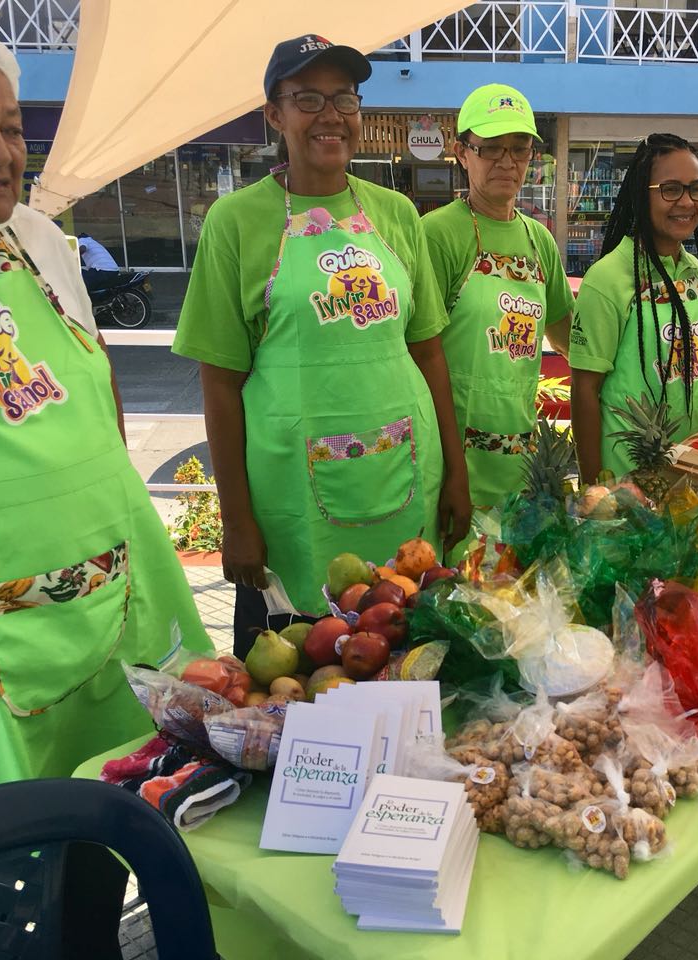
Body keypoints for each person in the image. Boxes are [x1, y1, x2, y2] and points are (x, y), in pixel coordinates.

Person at [0, 20, 210, 809]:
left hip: (110, 589)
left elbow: (99, 384)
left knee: (123, 811)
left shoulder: (40, 242)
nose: (0, 152)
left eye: (11, 128)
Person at [173, 35, 471, 656]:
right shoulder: (235, 222)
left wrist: (456, 473)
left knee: (402, 655)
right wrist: (237, 521)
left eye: (344, 98)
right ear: (274, 114)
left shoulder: (397, 213)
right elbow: (220, 384)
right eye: (307, 98)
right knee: (296, 674)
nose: (330, 115)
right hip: (289, 498)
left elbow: (428, 351)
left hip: (405, 476)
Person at [422, 84, 574, 520]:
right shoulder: (437, 234)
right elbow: (418, 352)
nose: (507, 162)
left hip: (520, 458)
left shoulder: (538, 238)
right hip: (452, 461)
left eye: (519, 148)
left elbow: (567, 336)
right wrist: (451, 471)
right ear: (461, 152)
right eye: (491, 148)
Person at [569, 133, 698, 482]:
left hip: (695, 477)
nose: (687, 201)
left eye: (696, 189)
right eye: (671, 189)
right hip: (627, 484)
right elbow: (584, 389)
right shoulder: (607, 279)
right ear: (642, 193)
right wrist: (594, 485)